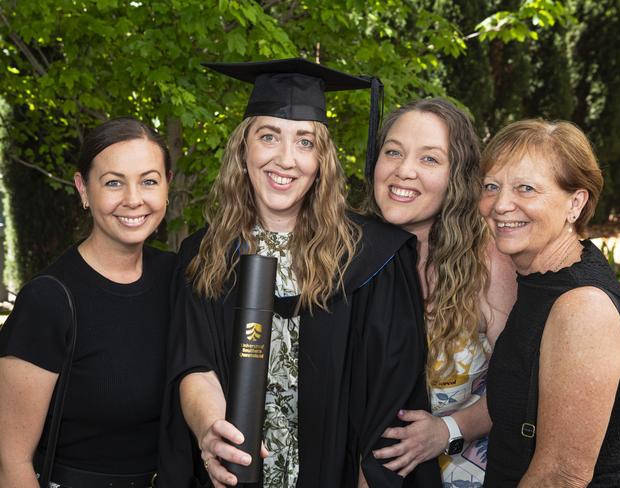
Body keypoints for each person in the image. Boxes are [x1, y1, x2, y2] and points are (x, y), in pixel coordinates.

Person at [156, 58, 440, 488]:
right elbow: (194, 366)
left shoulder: (375, 256)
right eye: (268, 136)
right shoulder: (204, 253)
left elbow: (390, 405)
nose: (286, 160)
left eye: (305, 142)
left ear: (322, 158)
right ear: (243, 149)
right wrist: (212, 432)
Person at [0, 117, 176, 488]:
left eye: (148, 180)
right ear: (83, 189)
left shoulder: (177, 278)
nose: (133, 199)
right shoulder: (48, 300)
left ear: (167, 186)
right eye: (113, 182)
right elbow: (11, 461)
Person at [479, 119, 620, 487]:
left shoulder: (581, 309)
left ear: (575, 202)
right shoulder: (543, 278)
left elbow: (559, 477)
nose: (501, 204)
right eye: (492, 186)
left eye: (526, 188)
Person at [364, 98, 517, 486]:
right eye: (393, 152)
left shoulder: (489, 263)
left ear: (457, 175)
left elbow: (520, 384)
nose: (404, 170)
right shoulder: (345, 255)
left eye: (429, 159)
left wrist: (448, 429)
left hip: (462, 472)